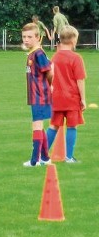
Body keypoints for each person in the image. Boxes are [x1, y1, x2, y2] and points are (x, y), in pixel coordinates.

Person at [46, 26, 86, 163]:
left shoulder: (55, 57)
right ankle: (69, 157)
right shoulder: (76, 58)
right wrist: (83, 99)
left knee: (53, 126)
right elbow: (80, 80)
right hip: (72, 97)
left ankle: (42, 156)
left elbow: (50, 75)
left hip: (57, 97)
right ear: (73, 40)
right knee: (72, 126)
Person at [21, 23, 52, 167]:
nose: (26, 39)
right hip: (35, 96)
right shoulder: (32, 53)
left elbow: (49, 70)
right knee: (39, 125)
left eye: (29, 37)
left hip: (40, 95)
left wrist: (51, 87)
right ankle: (45, 158)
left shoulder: (39, 53)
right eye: (24, 37)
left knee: (36, 126)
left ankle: (35, 161)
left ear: (38, 38)